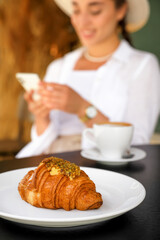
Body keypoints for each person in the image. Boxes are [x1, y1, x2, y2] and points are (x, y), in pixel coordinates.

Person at [16, 0, 160, 158]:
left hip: (106, 169)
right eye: (76, 11)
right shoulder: (58, 67)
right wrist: (42, 117)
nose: (82, 22)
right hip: (53, 165)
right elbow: (42, 142)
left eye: (95, 11)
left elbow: (137, 144)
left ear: (121, 10)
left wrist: (82, 109)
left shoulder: (142, 65)